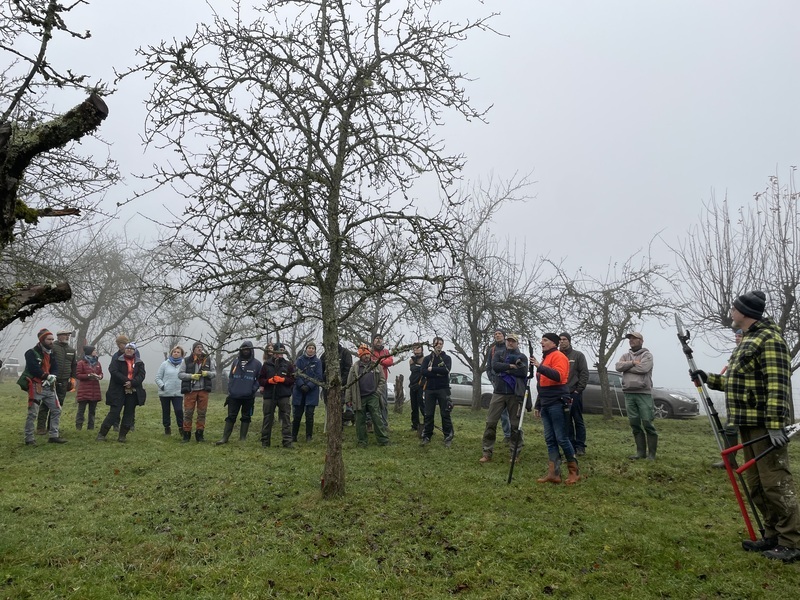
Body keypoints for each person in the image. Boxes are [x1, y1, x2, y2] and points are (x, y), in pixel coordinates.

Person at [691, 290, 800, 562]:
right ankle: (773, 535)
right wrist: (710, 379)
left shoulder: (770, 339)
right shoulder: (747, 340)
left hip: (766, 426)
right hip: (747, 422)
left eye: (734, 308)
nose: (731, 311)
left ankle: (793, 542)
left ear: (744, 312)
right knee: (757, 484)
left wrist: (776, 426)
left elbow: (778, 385)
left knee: (775, 482)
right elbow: (740, 382)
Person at [532, 333, 579, 485]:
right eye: (542, 340)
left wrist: (540, 367)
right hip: (545, 402)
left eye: (545, 340)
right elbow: (542, 384)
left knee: (562, 438)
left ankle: (574, 472)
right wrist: (538, 404)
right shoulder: (546, 358)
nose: (541, 342)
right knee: (550, 439)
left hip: (558, 402)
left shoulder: (559, 356)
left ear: (554, 343)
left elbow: (558, 376)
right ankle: (554, 473)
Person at [480, 332, 527, 464]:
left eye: (513, 341)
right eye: (508, 341)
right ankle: (487, 452)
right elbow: (495, 367)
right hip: (499, 392)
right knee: (490, 422)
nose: (510, 343)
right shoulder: (499, 354)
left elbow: (523, 371)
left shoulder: (522, 356)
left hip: (514, 394)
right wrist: (511, 366)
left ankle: (515, 454)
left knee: (515, 426)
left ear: (517, 343)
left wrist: (504, 369)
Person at [615, 331, 657, 461]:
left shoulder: (647, 355)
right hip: (629, 393)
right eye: (630, 338)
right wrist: (633, 363)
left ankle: (651, 454)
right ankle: (640, 453)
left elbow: (643, 369)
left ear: (641, 341)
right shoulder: (625, 355)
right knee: (634, 423)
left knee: (647, 422)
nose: (631, 340)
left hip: (643, 393)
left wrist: (626, 367)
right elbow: (618, 366)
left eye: (634, 338)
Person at [22, 328, 67, 445]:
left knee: (56, 409)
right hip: (36, 386)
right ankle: (29, 438)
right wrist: (46, 376)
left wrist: (53, 376)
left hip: (49, 387)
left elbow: (55, 367)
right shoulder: (31, 353)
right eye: (49, 339)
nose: (52, 341)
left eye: (52, 339)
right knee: (33, 413)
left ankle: (53, 435)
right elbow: (33, 368)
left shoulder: (51, 353)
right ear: (42, 340)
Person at [97, 342, 146, 443]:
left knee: (129, 413)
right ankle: (102, 434)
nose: (129, 350)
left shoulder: (139, 363)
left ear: (134, 351)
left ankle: (122, 436)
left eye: (131, 349)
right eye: (127, 348)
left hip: (132, 391)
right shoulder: (117, 360)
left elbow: (141, 375)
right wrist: (125, 381)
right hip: (118, 390)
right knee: (114, 413)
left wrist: (132, 383)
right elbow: (113, 371)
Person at [217, 340, 261, 445]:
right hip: (234, 395)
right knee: (231, 416)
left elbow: (259, 379)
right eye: (244, 349)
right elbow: (231, 377)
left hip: (248, 396)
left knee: (246, 417)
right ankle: (224, 438)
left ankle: (242, 438)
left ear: (251, 351)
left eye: (248, 349)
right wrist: (230, 388)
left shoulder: (257, 364)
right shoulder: (235, 362)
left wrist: (253, 389)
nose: (246, 351)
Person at [344, 344, 389, 447]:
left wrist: (378, 392)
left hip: (373, 395)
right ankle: (362, 442)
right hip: (359, 397)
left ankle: (383, 440)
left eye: (368, 354)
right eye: (364, 355)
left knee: (377, 418)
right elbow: (349, 384)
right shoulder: (354, 367)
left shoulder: (376, 365)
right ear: (360, 356)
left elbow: (382, 380)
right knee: (360, 420)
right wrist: (348, 399)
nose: (366, 356)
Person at [711, 329, 743, 469]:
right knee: (729, 429)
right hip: (734, 399)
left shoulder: (749, 351)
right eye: (736, 336)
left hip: (746, 399)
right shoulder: (735, 353)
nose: (737, 338)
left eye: (740, 336)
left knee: (735, 429)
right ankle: (729, 461)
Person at [37, 329, 76, 435]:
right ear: (59, 336)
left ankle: (52, 427)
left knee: (59, 404)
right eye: (65, 335)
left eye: (68, 335)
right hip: (51, 379)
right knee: (45, 404)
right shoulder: (52, 347)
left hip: (64, 381)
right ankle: (40, 427)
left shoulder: (72, 350)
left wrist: (73, 378)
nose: (67, 337)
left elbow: (74, 365)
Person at [258, 343, 295, 448]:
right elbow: (260, 379)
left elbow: (293, 379)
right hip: (269, 395)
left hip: (284, 395)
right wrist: (268, 381)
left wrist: (283, 380)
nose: (280, 353)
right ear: (274, 352)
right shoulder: (266, 365)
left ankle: (287, 442)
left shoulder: (288, 365)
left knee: (286, 419)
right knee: (267, 418)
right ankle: (265, 442)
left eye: (282, 350)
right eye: (278, 350)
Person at [420, 337, 454, 448]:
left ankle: (448, 437)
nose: (439, 345)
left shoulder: (446, 358)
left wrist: (432, 369)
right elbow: (423, 371)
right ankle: (427, 436)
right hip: (429, 389)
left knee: (445, 413)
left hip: (443, 389)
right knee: (428, 414)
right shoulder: (427, 358)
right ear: (433, 345)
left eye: (441, 343)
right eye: (437, 343)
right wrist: (437, 373)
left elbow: (446, 370)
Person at [178, 341, 216, 443]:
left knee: (202, 413)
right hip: (190, 391)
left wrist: (206, 373)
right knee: (188, 413)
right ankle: (186, 435)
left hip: (203, 390)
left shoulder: (207, 360)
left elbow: (214, 373)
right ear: (193, 349)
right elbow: (180, 374)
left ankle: (200, 434)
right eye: (197, 347)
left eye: (201, 347)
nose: (199, 349)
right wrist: (191, 376)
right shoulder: (186, 360)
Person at [559, 332, 589, 456]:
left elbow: (584, 373)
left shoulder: (578, 355)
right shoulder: (557, 356)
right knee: (566, 421)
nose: (562, 341)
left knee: (577, 420)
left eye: (564, 339)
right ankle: (570, 444)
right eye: (560, 340)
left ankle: (580, 445)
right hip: (561, 394)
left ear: (569, 341)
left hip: (574, 393)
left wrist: (578, 390)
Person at [485, 328, 512, 444]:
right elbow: (488, 367)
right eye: (495, 334)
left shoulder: (510, 348)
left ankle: (514, 435)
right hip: (497, 383)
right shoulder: (492, 350)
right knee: (502, 411)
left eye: (499, 333)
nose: (497, 335)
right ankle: (507, 435)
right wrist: (492, 378)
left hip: (509, 383)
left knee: (512, 409)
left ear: (504, 336)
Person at [292, 342, 323, 442]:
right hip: (299, 390)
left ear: (315, 350)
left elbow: (318, 376)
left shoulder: (317, 362)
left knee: (309, 415)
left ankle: (309, 436)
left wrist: (309, 386)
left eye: (313, 348)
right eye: (309, 348)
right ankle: (293, 435)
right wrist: (301, 385)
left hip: (311, 391)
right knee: (297, 415)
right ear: (306, 349)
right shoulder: (300, 360)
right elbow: (296, 374)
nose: (311, 350)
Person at [321, 342, 354, 427]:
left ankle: (341, 423)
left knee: (341, 404)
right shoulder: (325, 354)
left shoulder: (345, 353)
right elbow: (321, 370)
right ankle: (332, 424)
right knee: (329, 405)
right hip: (328, 385)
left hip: (343, 385)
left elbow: (348, 369)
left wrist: (341, 381)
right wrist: (325, 381)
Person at [156, 346, 185, 435]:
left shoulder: (184, 364)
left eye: (178, 352)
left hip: (178, 392)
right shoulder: (164, 364)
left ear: (181, 354)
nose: (176, 353)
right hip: (165, 392)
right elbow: (158, 378)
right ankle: (167, 428)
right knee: (166, 411)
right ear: (171, 353)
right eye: (174, 352)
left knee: (179, 410)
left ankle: (181, 428)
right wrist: (163, 386)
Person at [75, 345, 103, 430]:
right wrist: (88, 375)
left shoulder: (98, 363)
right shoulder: (81, 363)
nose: (96, 352)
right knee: (81, 410)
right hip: (84, 390)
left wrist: (99, 376)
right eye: (94, 350)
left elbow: (101, 373)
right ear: (90, 352)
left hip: (95, 390)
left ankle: (91, 427)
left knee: (92, 411)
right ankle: (78, 427)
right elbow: (78, 375)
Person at [370, 335, 394, 429]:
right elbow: (369, 361)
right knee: (371, 403)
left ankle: (384, 424)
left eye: (380, 339)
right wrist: (382, 361)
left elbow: (390, 361)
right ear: (373, 341)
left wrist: (378, 361)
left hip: (382, 381)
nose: (378, 340)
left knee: (383, 403)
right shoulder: (370, 351)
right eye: (377, 338)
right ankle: (370, 423)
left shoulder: (386, 352)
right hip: (370, 380)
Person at [408, 344, 425, 435]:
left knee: (422, 406)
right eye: (415, 349)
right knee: (414, 407)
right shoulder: (411, 361)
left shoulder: (425, 360)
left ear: (422, 349)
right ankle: (415, 425)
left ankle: (427, 424)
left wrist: (420, 384)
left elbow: (426, 375)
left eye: (418, 348)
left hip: (421, 386)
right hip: (412, 385)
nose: (417, 350)